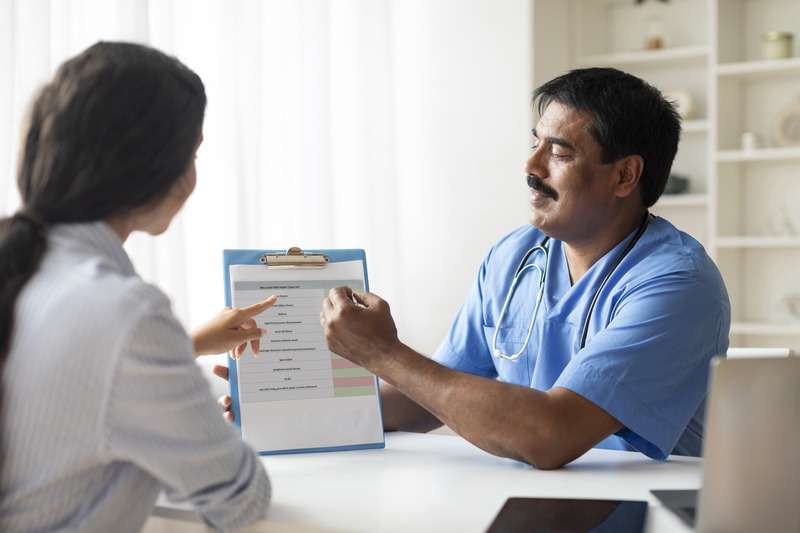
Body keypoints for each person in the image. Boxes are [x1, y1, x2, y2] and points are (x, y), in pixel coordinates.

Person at [319, 67, 731, 470]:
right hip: (531, 500)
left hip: (640, 509)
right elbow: (427, 396)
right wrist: (289, 416)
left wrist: (382, 353)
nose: (531, 166)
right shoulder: (513, 255)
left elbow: (551, 435)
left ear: (625, 175)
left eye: (559, 152)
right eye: (535, 144)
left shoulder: (679, 284)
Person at [0, 42, 273, 532]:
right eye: (192, 154)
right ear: (159, 169)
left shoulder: (26, 273)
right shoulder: (127, 314)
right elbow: (240, 498)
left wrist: (182, 353)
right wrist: (187, 435)